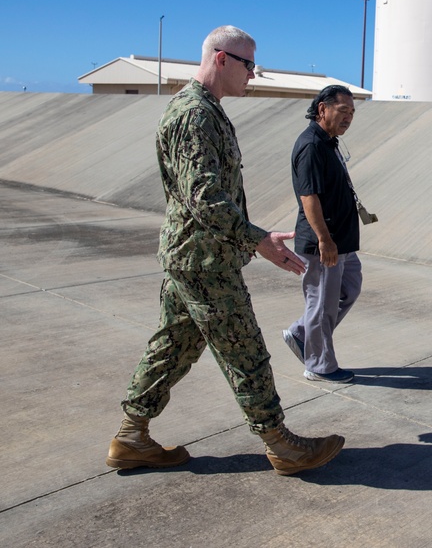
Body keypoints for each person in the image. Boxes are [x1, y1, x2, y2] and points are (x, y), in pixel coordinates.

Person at [107, 25, 345, 476]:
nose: (253, 75)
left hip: (194, 257)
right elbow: (205, 196)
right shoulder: (194, 115)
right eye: (249, 65)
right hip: (204, 262)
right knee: (245, 350)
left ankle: (131, 435)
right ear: (221, 59)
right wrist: (257, 239)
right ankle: (281, 443)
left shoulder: (206, 110)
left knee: (172, 347)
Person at [282, 85, 363, 383]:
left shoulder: (328, 142)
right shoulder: (311, 146)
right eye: (343, 112)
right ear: (322, 110)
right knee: (322, 304)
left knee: (349, 289)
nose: (349, 118)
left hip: (341, 242)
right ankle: (319, 365)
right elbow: (309, 197)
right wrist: (324, 240)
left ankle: (302, 333)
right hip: (324, 244)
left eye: (352, 113)